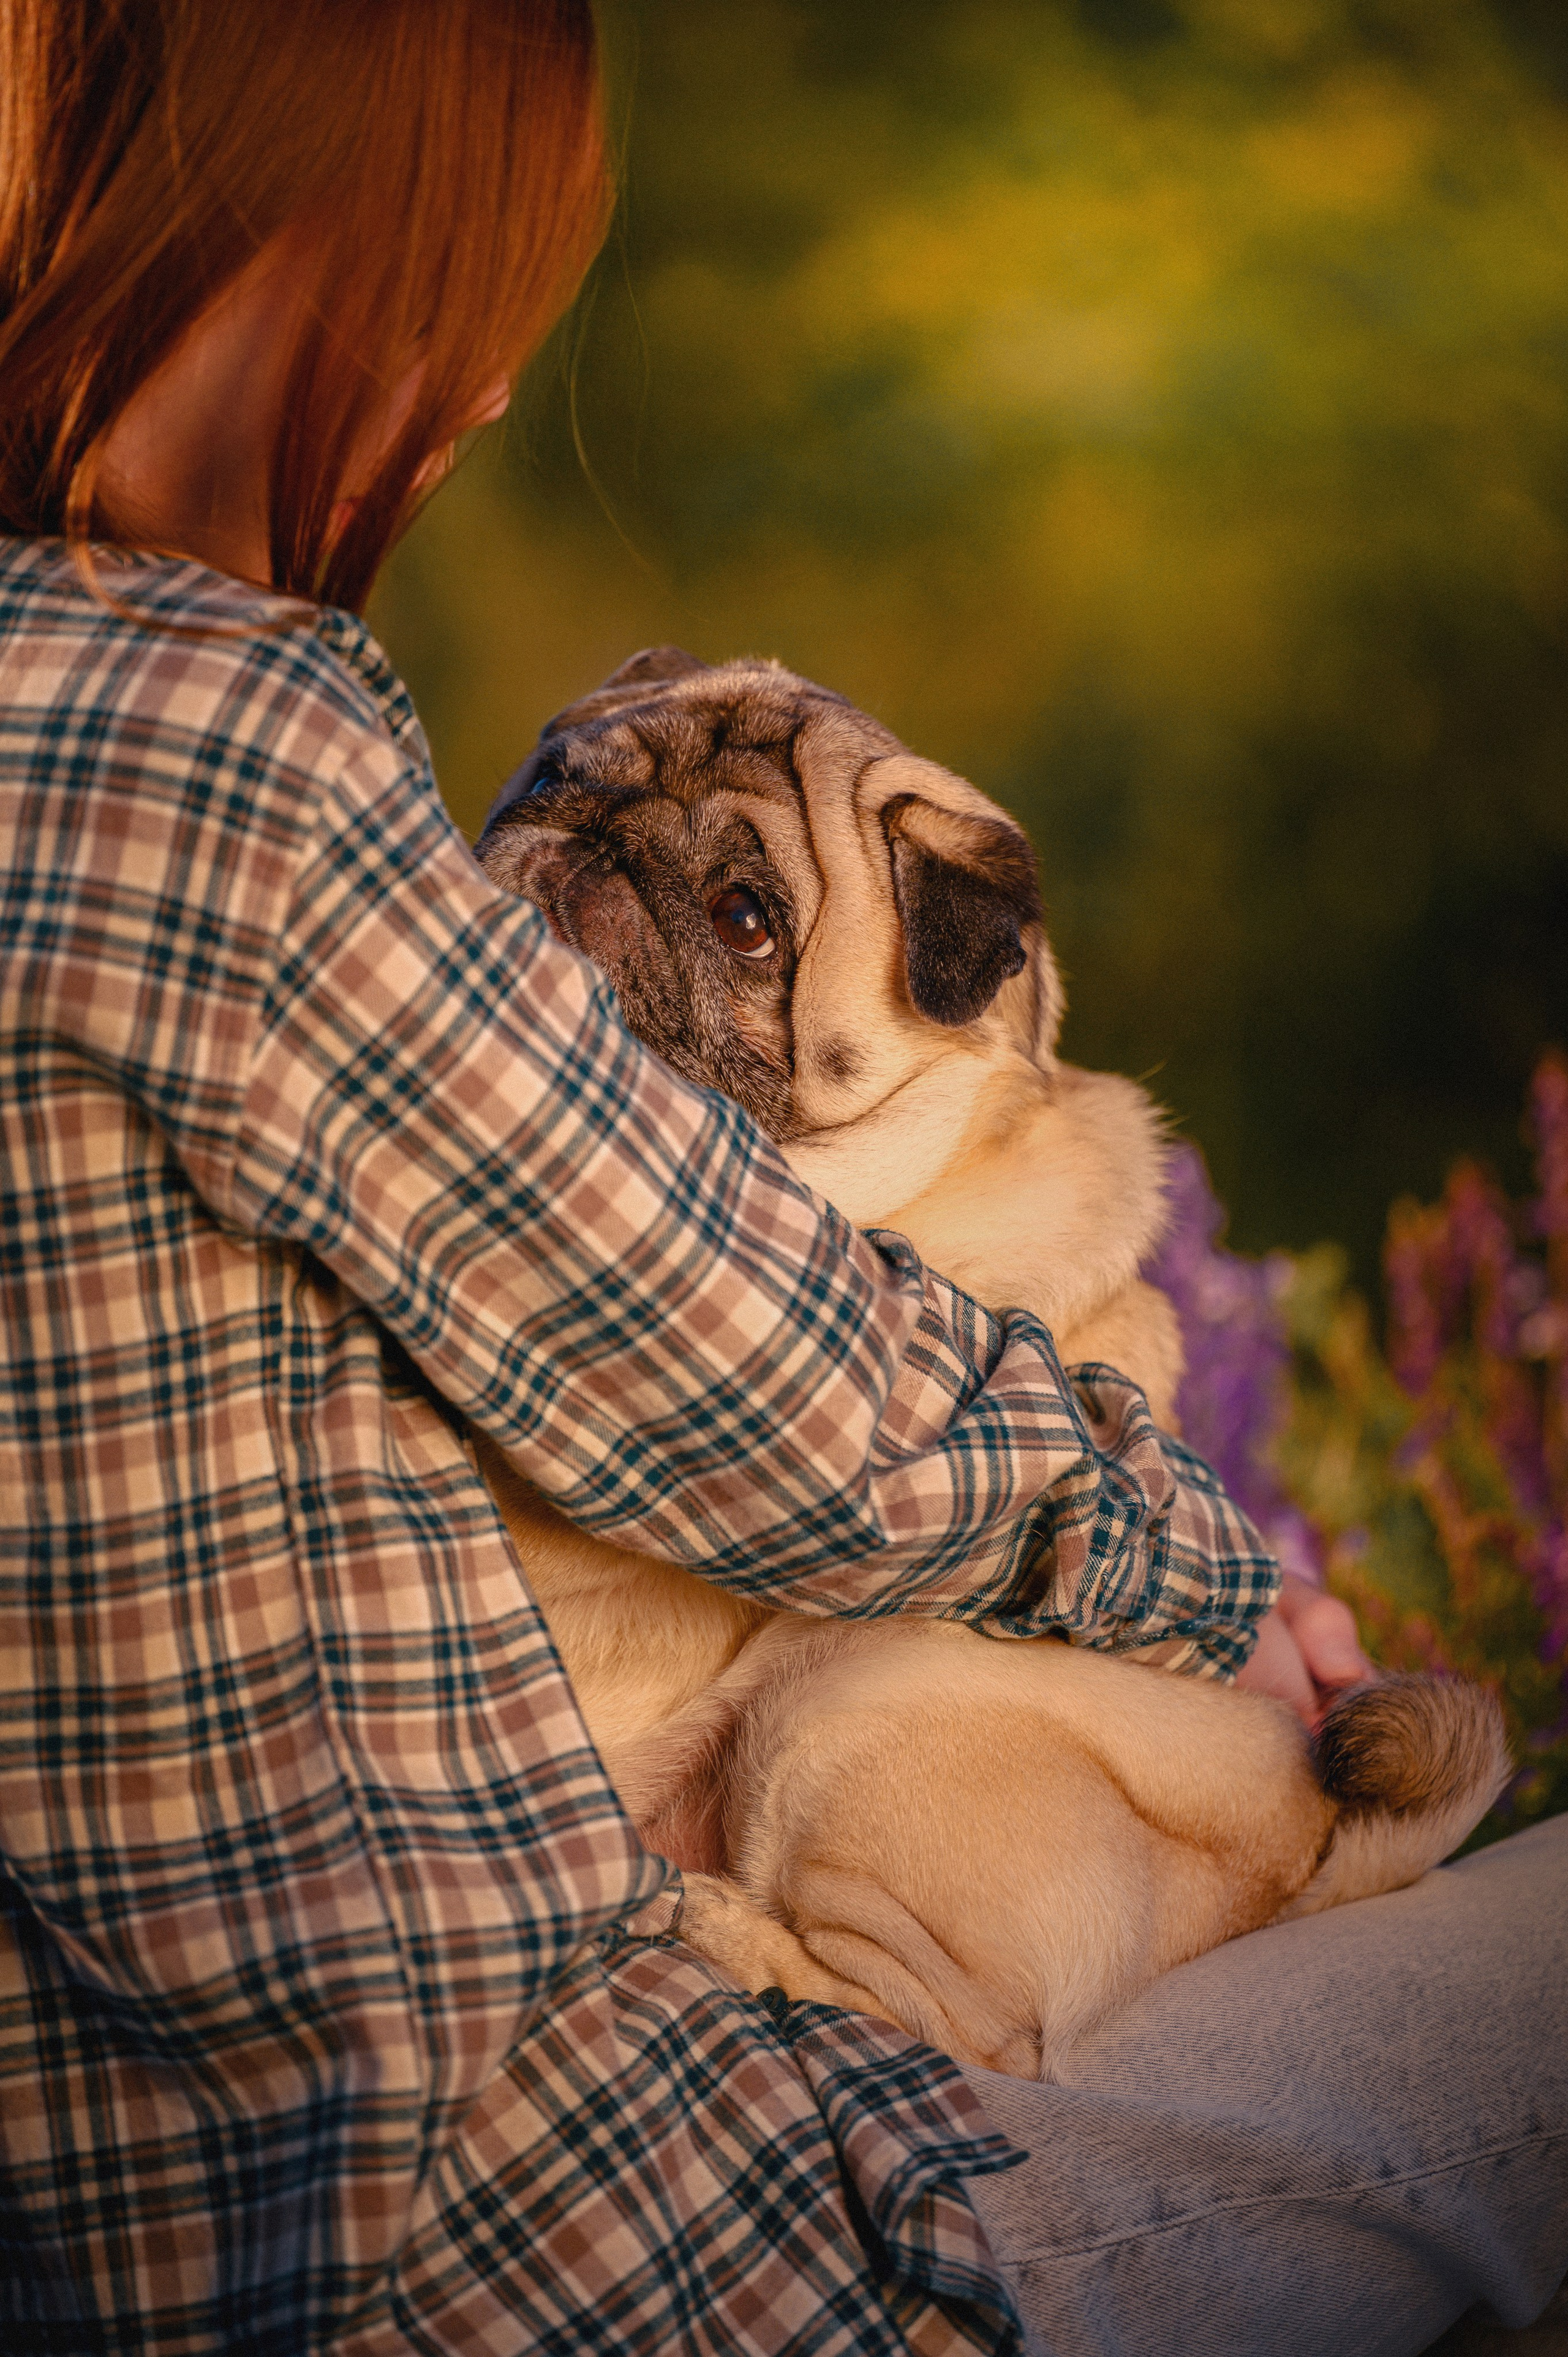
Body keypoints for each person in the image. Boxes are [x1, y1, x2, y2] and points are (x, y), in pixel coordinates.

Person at [0, 7, 1560, 2355]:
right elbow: (786, 1391)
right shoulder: (220, 743)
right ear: (336, 233)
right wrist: (1196, 1573)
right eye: (482, 283)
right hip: (558, 2248)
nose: (500, 388)